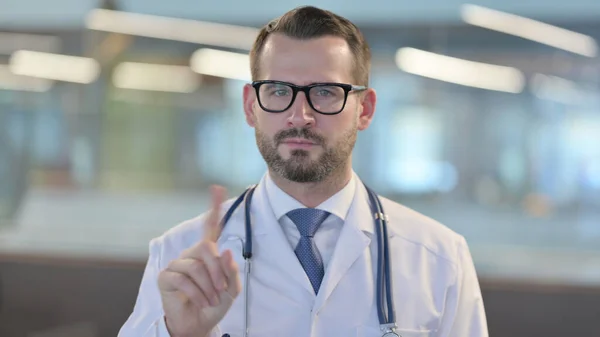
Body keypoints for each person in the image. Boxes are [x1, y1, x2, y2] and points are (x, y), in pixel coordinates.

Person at [118, 5, 488, 337]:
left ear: (365, 109)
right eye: (279, 91)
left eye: (325, 92)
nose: (299, 116)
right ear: (250, 106)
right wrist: (181, 334)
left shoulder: (439, 258)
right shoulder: (180, 258)